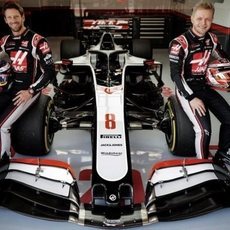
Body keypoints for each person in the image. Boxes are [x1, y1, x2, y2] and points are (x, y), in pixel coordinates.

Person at [169, 0, 230, 163]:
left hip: (204, 86)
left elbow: (224, 59)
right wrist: (191, 98)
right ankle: (202, 164)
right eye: (200, 18)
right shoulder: (179, 43)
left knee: (229, 118)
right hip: (186, 89)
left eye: (208, 19)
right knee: (204, 131)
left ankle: (223, 155)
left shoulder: (213, 39)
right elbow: (175, 75)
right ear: (192, 17)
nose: (203, 23)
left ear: (212, 20)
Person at [0, 1, 55, 160]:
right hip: (10, 88)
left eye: (16, 16)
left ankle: (5, 159)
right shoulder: (5, 41)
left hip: (29, 91)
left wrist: (31, 91)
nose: (13, 20)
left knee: (3, 126)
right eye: (9, 18)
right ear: (5, 20)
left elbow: (50, 71)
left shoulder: (37, 41)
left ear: (22, 17)